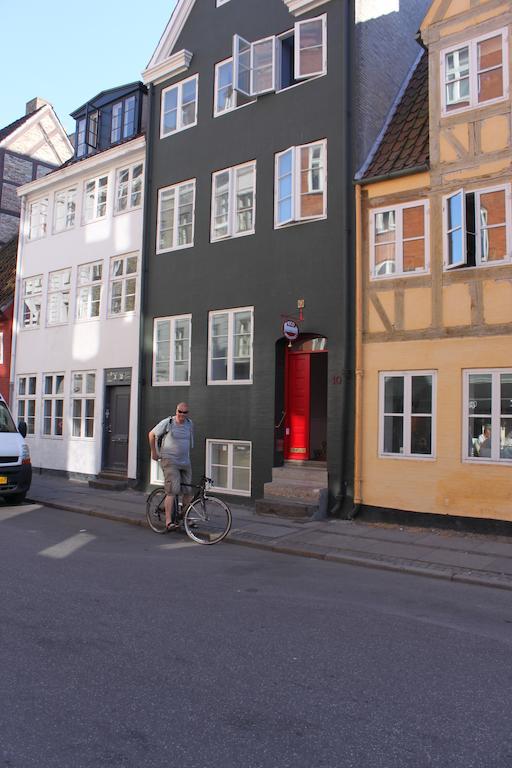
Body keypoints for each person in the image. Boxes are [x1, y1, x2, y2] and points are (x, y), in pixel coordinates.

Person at [148, 402, 194, 530]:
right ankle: (168, 522)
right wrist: (154, 452)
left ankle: (185, 518)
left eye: (185, 412)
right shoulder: (168, 422)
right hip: (170, 460)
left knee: (188, 491)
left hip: (185, 461)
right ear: (176, 410)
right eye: (180, 411)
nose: (182, 415)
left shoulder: (189, 424)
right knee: (172, 490)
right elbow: (151, 434)